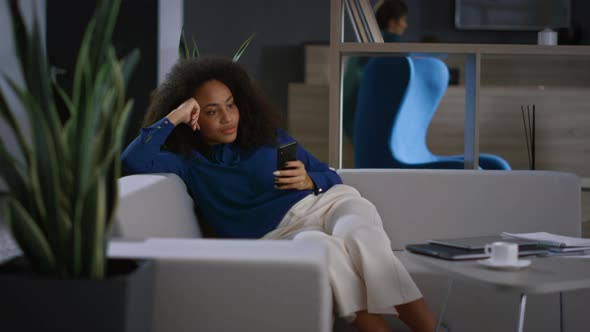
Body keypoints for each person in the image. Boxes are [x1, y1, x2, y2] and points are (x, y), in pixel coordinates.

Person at [122, 56, 437, 332]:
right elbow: (132, 162)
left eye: (231, 105)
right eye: (211, 111)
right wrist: (175, 114)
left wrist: (309, 179)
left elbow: (330, 175)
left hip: (329, 203)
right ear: (194, 118)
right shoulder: (188, 163)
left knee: (361, 235)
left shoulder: (270, 138)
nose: (228, 117)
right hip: (279, 235)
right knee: (325, 254)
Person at [342, 0, 408, 141]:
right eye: (403, 20)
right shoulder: (393, 47)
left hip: (352, 119)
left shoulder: (365, 43)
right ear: (392, 22)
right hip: (374, 123)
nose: (405, 25)